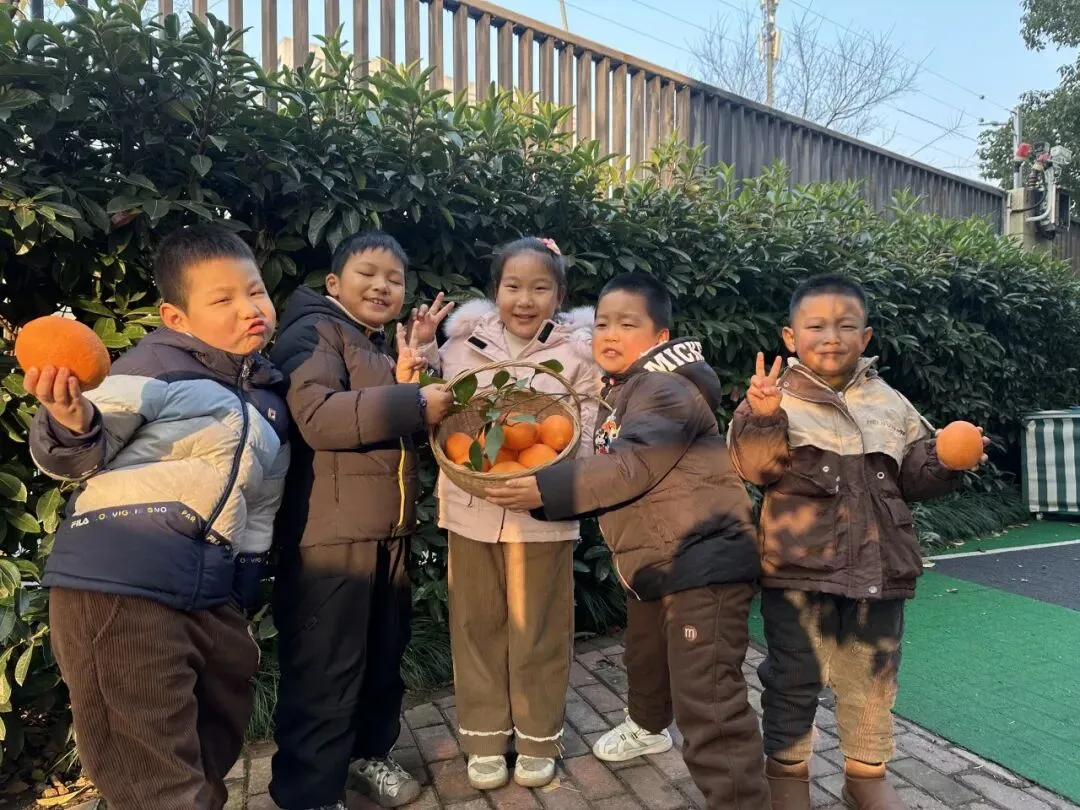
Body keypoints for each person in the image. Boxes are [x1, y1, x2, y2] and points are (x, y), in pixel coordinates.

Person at [26, 224, 290, 810]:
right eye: (223, 299)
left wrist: (241, 597)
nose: (249, 309)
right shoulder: (153, 367)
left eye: (256, 292)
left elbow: (260, 512)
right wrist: (70, 419)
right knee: (155, 776)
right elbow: (84, 443)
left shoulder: (271, 400)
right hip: (120, 584)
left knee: (214, 743)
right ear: (176, 317)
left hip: (210, 594)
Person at [485, 272, 769, 810]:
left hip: (702, 559)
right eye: (602, 324)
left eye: (627, 324)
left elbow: (631, 465)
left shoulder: (666, 389)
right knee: (646, 657)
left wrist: (545, 489)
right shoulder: (623, 391)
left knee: (708, 698)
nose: (610, 334)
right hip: (657, 559)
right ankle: (646, 727)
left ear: (660, 337)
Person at [727, 274, 989, 810]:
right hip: (799, 571)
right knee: (793, 677)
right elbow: (755, 468)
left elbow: (913, 478)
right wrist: (762, 417)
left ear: (865, 337)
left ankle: (865, 776)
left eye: (846, 326)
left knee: (873, 678)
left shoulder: (890, 402)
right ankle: (787, 774)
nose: (832, 337)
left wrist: (946, 459)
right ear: (790, 336)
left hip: (879, 570)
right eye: (816, 326)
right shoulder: (774, 400)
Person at [268, 232, 453, 810]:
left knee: (381, 657)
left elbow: (378, 422)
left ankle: (367, 754)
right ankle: (309, 793)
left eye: (394, 279)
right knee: (326, 668)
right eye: (367, 273)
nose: (382, 286)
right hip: (331, 537)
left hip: (385, 529)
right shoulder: (313, 332)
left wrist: (410, 374)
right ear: (333, 283)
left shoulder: (369, 343)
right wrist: (413, 401)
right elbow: (319, 417)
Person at [426, 236, 600, 791]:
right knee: (476, 624)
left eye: (540, 288)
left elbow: (586, 438)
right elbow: (437, 412)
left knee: (540, 628)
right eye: (513, 286)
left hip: (543, 516)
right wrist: (420, 355)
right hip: (470, 507)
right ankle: (483, 738)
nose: (525, 300)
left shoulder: (580, 355)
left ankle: (537, 737)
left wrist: (547, 489)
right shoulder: (460, 347)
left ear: (560, 295)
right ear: (495, 290)